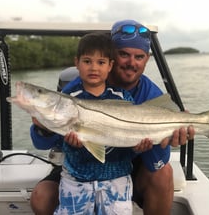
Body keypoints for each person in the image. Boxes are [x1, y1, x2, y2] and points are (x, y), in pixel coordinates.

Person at [30, 20, 195, 215]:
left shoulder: (151, 94)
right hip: (82, 167)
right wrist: (44, 128)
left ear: (147, 59)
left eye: (139, 56)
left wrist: (153, 145)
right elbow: (44, 141)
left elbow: (157, 162)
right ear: (112, 57)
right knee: (41, 197)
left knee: (164, 174)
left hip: (128, 167)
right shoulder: (78, 88)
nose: (131, 63)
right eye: (124, 54)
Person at [31, 32, 150, 214]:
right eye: (87, 61)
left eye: (101, 62)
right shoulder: (68, 99)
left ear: (110, 65)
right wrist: (43, 129)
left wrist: (138, 146)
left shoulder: (122, 98)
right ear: (76, 63)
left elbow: (126, 137)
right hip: (76, 182)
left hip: (117, 181)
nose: (94, 67)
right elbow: (44, 142)